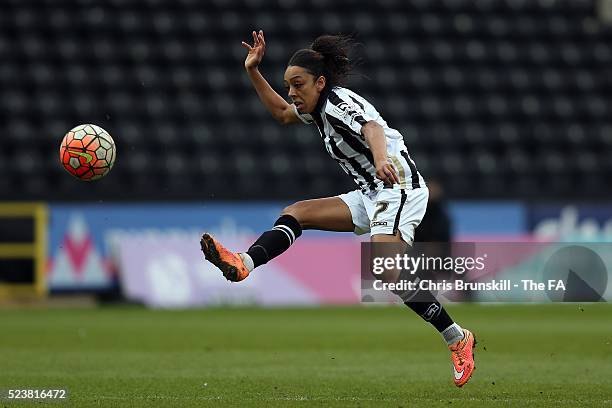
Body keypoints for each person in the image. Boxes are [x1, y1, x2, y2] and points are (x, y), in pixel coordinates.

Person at [200, 30, 476, 387]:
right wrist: (253, 70)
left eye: (297, 84)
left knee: (385, 272)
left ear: (320, 82)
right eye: (288, 85)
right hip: (369, 191)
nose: (292, 93)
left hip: (396, 186)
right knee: (297, 212)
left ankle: (457, 338)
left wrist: (379, 159)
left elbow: (373, 127)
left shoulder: (338, 102)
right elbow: (282, 114)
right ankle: (243, 263)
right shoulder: (313, 109)